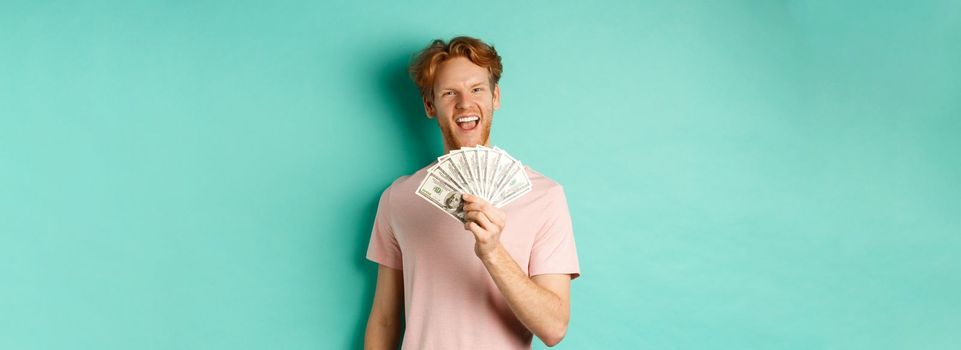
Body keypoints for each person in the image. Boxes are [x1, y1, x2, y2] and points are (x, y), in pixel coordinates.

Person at [364, 36, 581, 349]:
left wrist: (492, 251)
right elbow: (384, 318)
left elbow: (553, 328)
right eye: (450, 93)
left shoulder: (545, 196)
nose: (465, 103)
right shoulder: (398, 198)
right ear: (429, 105)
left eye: (477, 89)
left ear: (495, 96)